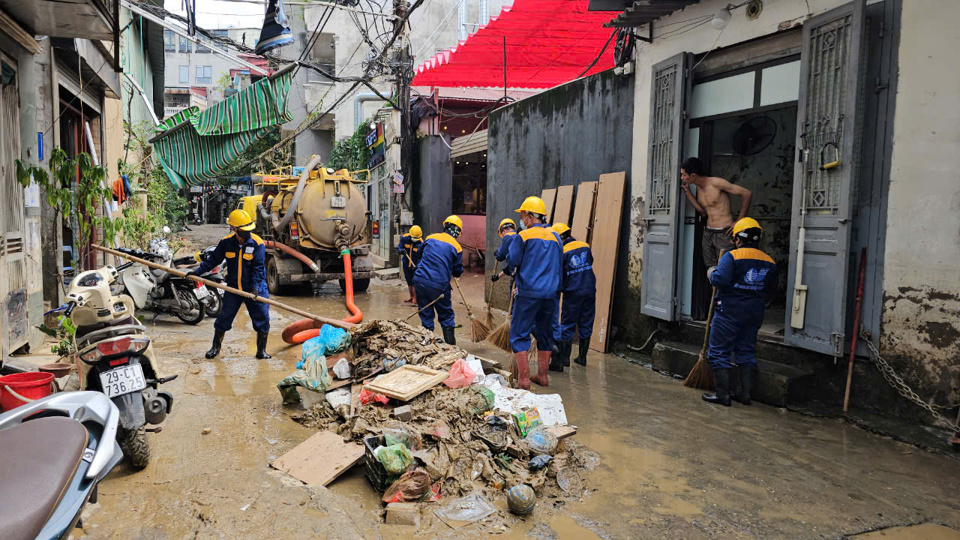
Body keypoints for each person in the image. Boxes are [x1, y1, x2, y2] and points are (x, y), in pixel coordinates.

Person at [701, 217, 778, 407]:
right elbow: (772, 290)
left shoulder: (732, 256)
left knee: (719, 350)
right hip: (754, 312)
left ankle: (722, 395)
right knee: (746, 350)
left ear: (737, 238)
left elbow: (720, 280)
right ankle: (744, 394)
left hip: (729, 311)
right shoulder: (769, 261)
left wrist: (711, 271)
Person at [191, 209, 271, 360]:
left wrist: (255, 287)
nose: (246, 234)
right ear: (234, 229)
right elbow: (213, 260)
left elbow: (259, 268)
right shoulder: (226, 243)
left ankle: (261, 351)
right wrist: (197, 272)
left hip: (255, 288)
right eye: (243, 231)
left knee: (262, 318)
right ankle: (215, 348)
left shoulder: (257, 244)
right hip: (233, 288)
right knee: (224, 318)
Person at [507, 196, 563, 389]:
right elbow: (559, 264)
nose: (522, 220)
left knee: (519, 333)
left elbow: (513, 261)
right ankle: (542, 376)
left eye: (523, 216)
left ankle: (523, 380)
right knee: (545, 333)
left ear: (531, 217)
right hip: (551, 294)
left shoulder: (523, 237)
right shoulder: (556, 237)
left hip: (529, 292)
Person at [680, 157, 753, 269]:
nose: (682, 178)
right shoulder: (699, 188)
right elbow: (703, 212)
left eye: (684, 175)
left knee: (726, 268)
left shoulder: (716, 183)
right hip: (708, 233)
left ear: (693, 175)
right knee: (711, 268)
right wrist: (688, 193)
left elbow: (746, 193)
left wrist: (739, 221)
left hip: (724, 233)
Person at [548, 223, 596, 372]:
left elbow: (559, 274)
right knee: (586, 322)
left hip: (573, 292)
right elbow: (591, 262)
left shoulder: (563, 252)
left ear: (560, 237)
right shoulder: (585, 245)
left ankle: (564, 360)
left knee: (568, 324)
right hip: (589, 290)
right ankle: (582, 358)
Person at [413, 216, 464, 345]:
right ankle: (451, 347)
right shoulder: (457, 247)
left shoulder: (430, 237)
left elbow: (419, 254)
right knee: (446, 315)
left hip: (420, 281)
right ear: (458, 232)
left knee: (425, 312)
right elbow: (458, 270)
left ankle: (427, 344)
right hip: (439, 285)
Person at [397, 225, 423, 303]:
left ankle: (415, 298)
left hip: (415, 265)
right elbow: (399, 247)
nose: (415, 240)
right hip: (406, 263)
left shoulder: (421, 243)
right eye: (414, 238)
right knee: (408, 280)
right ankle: (411, 296)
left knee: (414, 281)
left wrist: (418, 266)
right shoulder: (405, 238)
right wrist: (401, 250)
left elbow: (421, 257)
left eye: (416, 238)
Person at [491, 218, 518, 284]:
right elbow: (510, 267)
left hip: (518, 279)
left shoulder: (508, 236)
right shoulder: (518, 237)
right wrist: (498, 276)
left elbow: (500, 257)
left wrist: (498, 252)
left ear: (503, 230)